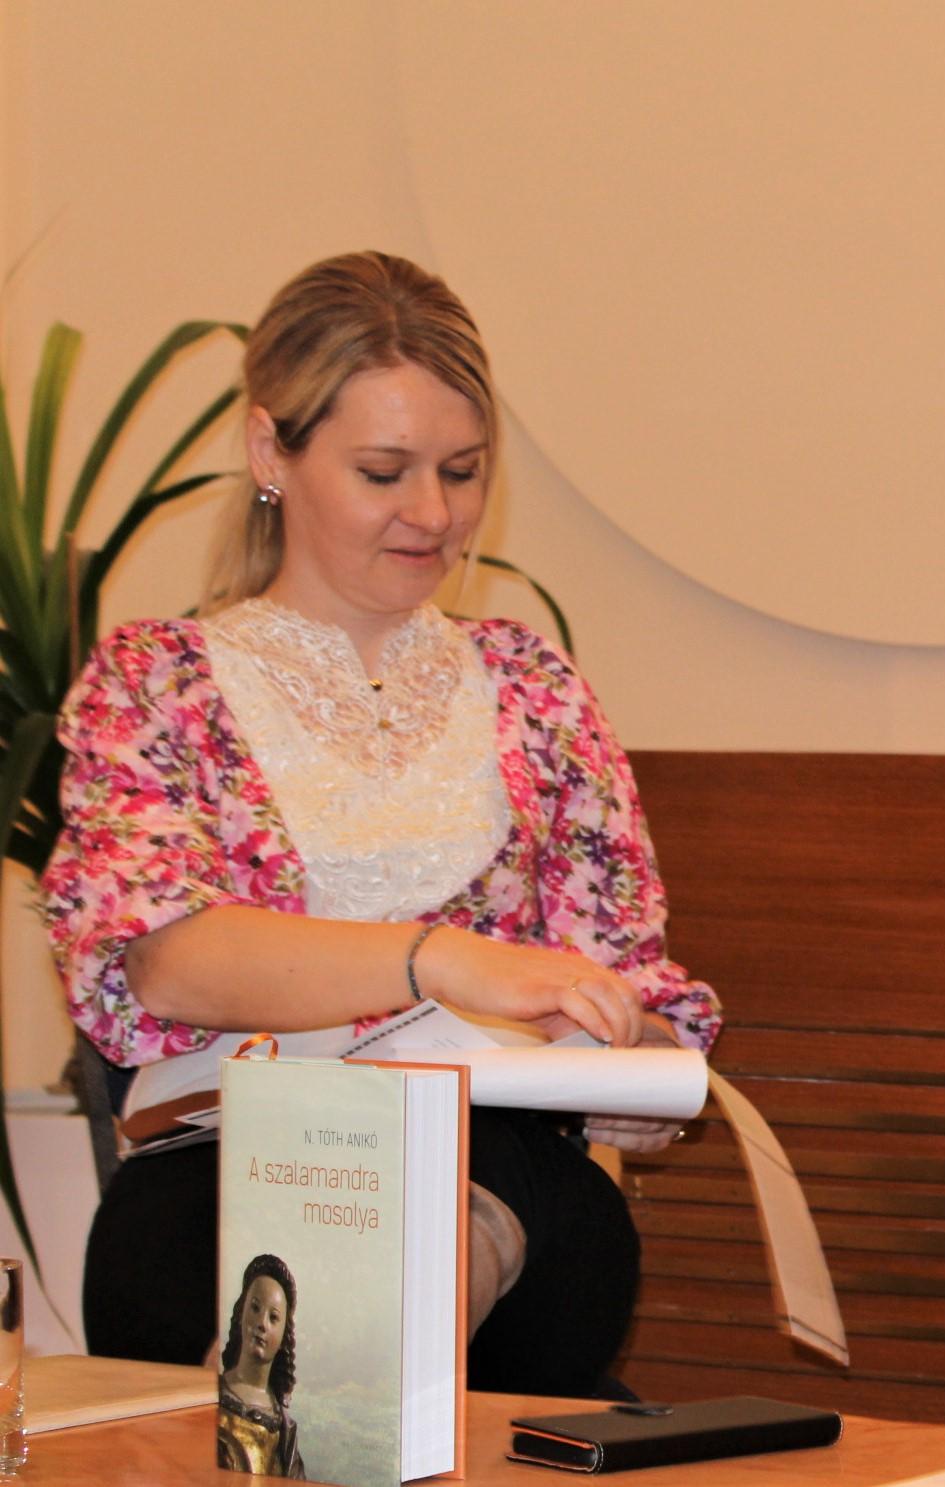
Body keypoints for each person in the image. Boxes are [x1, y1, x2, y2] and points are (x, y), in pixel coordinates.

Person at [44, 251, 722, 1396]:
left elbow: (625, 977)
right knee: (340, 1179)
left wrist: (633, 1057)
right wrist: (444, 962)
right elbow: (166, 957)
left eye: (461, 470)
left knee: (487, 1153)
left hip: (509, 1193)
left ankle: (303, 1398)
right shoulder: (156, 681)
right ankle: (329, 1381)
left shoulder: (532, 688)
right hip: (229, 1179)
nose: (434, 513)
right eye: (383, 471)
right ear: (271, 451)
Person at [216, 1253, 307, 1478]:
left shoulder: (285, 1433)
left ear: (284, 1335)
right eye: (255, 1308)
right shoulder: (210, 1397)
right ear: (241, 1313)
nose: (262, 1323)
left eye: (273, 1318)